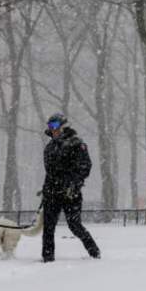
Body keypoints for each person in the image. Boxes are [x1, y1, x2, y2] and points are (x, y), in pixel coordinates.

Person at [40, 112, 100, 262]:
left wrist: (74, 184)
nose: (52, 129)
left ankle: (94, 252)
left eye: (55, 126)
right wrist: (45, 190)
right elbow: (50, 173)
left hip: (70, 194)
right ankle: (47, 257)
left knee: (74, 225)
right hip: (52, 193)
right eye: (50, 126)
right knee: (48, 226)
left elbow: (85, 167)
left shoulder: (77, 144)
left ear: (63, 126)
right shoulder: (49, 147)